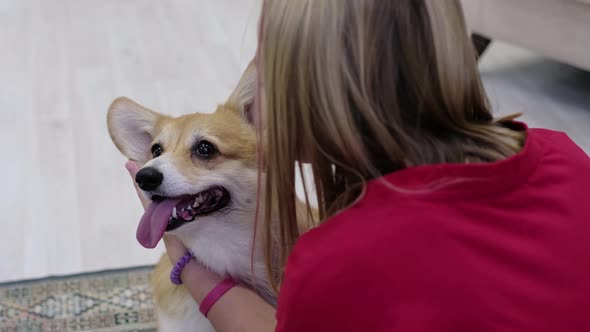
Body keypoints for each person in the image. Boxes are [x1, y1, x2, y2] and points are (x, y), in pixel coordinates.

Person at [126, 0, 590, 331]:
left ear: (318, 96)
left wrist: (185, 258)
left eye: (265, 72)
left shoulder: (340, 258)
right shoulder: (564, 155)